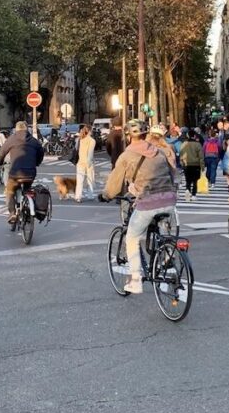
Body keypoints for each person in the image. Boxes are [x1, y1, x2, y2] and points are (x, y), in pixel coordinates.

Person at [100, 120, 177, 294]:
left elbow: (114, 184)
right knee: (160, 229)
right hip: (169, 200)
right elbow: (172, 175)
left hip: (148, 201)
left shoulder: (127, 156)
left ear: (128, 136)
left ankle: (135, 280)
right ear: (145, 135)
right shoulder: (159, 152)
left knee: (132, 238)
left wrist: (105, 195)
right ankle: (166, 256)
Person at [0, 121, 44, 224]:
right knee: (27, 190)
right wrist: (37, 163)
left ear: (16, 129)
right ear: (27, 129)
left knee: (9, 191)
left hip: (15, 174)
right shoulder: (33, 140)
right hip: (30, 173)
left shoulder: (12, 139)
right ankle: (29, 208)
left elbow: (2, 153)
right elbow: (41, 152)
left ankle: (12, 213)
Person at [178, 130, 203, 202]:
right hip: (196, 164)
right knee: (195, 181)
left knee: (188, 180)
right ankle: (193, 195)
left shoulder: (184, 144)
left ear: (188, 135)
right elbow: (201, 156)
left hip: (187, 164)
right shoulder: (198, 144)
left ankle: (187, 190)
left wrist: (182, 162)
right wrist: (202, 166)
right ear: (194, 136)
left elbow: (181, 154)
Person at [74, 124, 96, 202]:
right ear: (89, 131)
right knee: (90, 180)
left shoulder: (79, 139)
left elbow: (76, 149)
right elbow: (90, 153)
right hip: (88, 163)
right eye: (91, 130)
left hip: (80, 162)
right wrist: (89, 163)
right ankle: (90, 195)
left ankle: (78, 197)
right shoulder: (92, 141)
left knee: (80, 181)